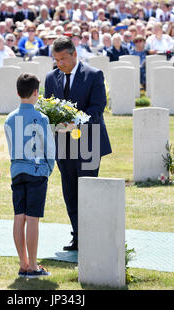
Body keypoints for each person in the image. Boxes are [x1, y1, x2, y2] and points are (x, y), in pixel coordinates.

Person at [44, 36, 112, 251]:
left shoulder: (93, 75)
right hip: (63, 143)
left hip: (88, 141)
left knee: (88, 191)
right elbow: (48, 107)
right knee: (70, 191)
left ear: (74, 54)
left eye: (63, 58)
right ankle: (77, 236)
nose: (60, 63)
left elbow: (97, 107)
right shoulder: (50, 77)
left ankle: (91, 235)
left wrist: (75, 123)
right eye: (56, 59)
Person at [4, 73, 55, 278]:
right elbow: (49, 150)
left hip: (17, 171)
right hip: (36, 170)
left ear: (17, 92)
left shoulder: (9, 118)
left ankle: (23, 263)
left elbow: (10, 146)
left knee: (19, 216)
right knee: (33, 218)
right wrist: (48, 169)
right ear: (36, 92)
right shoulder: (41, 118)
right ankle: (33, 265)